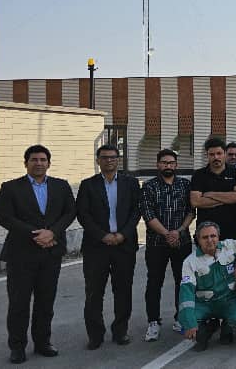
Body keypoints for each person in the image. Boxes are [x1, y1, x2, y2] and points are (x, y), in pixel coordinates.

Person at [0, 145, 76, 364]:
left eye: (43, 159)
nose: (39, 163)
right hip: (20, 255)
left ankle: (43, 342)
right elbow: (4, 217)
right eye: (34, 159)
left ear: (49, 163)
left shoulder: (61, 186)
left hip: (51, 252)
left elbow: (70, 212)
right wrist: (36, 234)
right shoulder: (11, 188)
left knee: (45, 302)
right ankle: (17, 347)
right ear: (26, 163)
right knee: (19, 304)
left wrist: (52, 232)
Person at [76, 145, 142, 349]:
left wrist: (123, 234)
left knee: (123, 291)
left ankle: (120, 331)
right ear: (98, 161)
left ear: (118, 160)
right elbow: (83, 214)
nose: (109, 160)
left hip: (124, 245)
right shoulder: (88, 185)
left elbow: (136, 211)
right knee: (94, 292)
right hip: (96, 246)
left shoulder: (131, 183)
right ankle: (95, 335)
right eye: (104, 157)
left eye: (113, 157)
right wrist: (103, 235)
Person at [141, 149, 195, 342]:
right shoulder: (149, 186)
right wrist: (166, 234)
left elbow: (191, 212)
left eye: (171, 163)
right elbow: (148, 215)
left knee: (183, 282)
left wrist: (178, 231)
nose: (168, 166)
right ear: (158, 164)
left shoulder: (185, 185)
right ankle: (153, 321)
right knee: (154, 282)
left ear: (176, 165)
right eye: (164, 162)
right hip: (156, 243)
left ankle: (180, 318)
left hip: (182, 242)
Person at [180, 222, 236, 352]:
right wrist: (190, 323)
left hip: (228, 301)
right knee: (188, 325)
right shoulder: (190, 262)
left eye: (213, 236)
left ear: (218, 236)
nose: (210, 240)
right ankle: (209, 328)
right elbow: (186, 294)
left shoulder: (230, 246)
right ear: (198, 240)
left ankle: (226, 327)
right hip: (204, 304)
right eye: (205, 237)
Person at [190, 138, 236, 240]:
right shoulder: (199, 175)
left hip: (231, 231)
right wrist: (228, 198)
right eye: (212, 154)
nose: (216, 157)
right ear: (207, 155)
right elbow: (196, 201)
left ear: (224, 154)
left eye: (219, 153)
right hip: (206, 232)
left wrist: (210, 194)